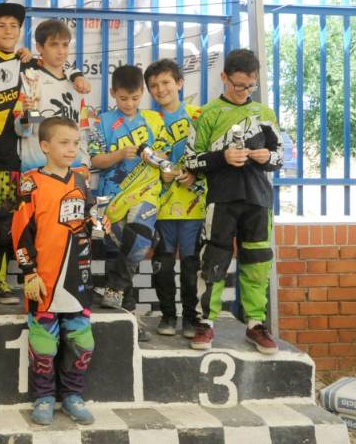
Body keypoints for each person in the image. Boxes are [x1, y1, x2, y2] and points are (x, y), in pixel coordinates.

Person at [0, 2, 90, 306]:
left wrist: (76, 73)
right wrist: (28, 114)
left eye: (14, 26)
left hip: (15, 160)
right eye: (1, 26)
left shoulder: (37, 69)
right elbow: (24, 125)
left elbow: (77, 120)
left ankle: (7, 282)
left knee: (8, 224)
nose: (7, 31)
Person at [184, 48, 283, 354]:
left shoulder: (265, 114)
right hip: (221, 200)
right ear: (223, 77)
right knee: (213, 260)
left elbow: (280, 157)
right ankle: (205, 322)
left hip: (259, 200)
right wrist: (222, 157)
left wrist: (267, 157)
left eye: (250, 85)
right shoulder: (206, 114)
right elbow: (191, 161)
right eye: (238, 84)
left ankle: (255, 323)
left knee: (258, 262)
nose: (244, 91)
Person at [12, 117, 96, 426]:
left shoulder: (81, 181)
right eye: (64, 142)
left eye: (75, 143)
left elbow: (90, 221)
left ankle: (73, 396)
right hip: (44, 279)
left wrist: (99, 222)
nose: (71, 149)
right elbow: (20, 232)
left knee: (82, 342)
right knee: (44, 345)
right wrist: (29, 273)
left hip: (77, 279)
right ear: (45, 146)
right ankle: (44, 398)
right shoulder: (30, 182)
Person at [88, 65, 172, 341]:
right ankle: (127, 320)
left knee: (140, 238)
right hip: (112, 198)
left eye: (135, 98)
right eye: (123, 98)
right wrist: (119, 155)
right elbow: (94, 160)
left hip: (147, 190)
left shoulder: (154, 120)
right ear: (113, 93)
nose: (129, 104)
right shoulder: (102, 122)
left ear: (142, 93)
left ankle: (114, 288)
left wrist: (153, 157)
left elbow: (164, 155)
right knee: (122, 253)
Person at [144, 59, 204, 338]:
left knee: (191, 264)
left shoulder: (199, 115)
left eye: (166, 82)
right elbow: (141, 165)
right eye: (154, 85)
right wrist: (161, 176)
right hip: (161, 206)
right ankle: (168, 316)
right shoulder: (148, 121)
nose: (161, 89)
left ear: (180, 83)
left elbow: (212, 155)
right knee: (163, 264)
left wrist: (196, 175)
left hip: (194, 205)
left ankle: (191, 318)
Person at [16, 19, 90, 176]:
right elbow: (22, 130)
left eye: (65, 45)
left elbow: (82, 129)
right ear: (39, 47)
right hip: (39, 170)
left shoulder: (76, 83)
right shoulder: (32, 80)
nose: (61, 51)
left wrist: (84, 162)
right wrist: (28, 115)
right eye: (54, 45)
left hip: (73, 170)